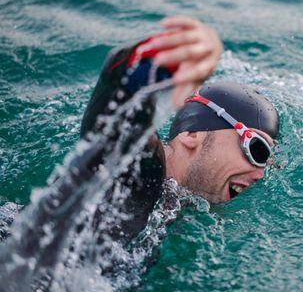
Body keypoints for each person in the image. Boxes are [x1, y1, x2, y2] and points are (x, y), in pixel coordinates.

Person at [78, 15, 280, 244]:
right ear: (192, 135)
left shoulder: (174, 209)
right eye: (257, 149)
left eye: (268, 162)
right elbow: (119, 93)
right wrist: (177, 55)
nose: (260, 175)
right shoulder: (139, 173)